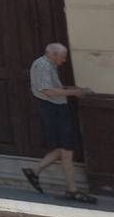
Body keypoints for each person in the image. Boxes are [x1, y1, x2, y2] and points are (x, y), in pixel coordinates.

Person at [23, 42, 95, 203]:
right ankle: (71, 189)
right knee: (66, 148)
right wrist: (74, 92)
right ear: (53, 54)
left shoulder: (49, 65)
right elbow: (47, 90)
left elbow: (54, 87)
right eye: (62, 57)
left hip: (57, 108)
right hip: (52, 109)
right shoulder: (42, 65)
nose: (64, 61)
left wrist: (75, 89)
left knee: (65, 147)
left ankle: (35, 171)